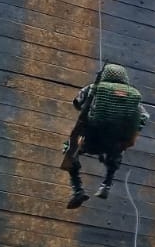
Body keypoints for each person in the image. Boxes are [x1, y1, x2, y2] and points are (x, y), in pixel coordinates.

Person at [62, 63, 148, 209]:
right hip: (113, 145)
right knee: (118, 152)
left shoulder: (93, 88)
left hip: (90, 139)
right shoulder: (133, 96)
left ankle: (77, 189)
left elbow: (77, 103)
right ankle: (106, 184)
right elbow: (143, 117)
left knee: (68, 148)